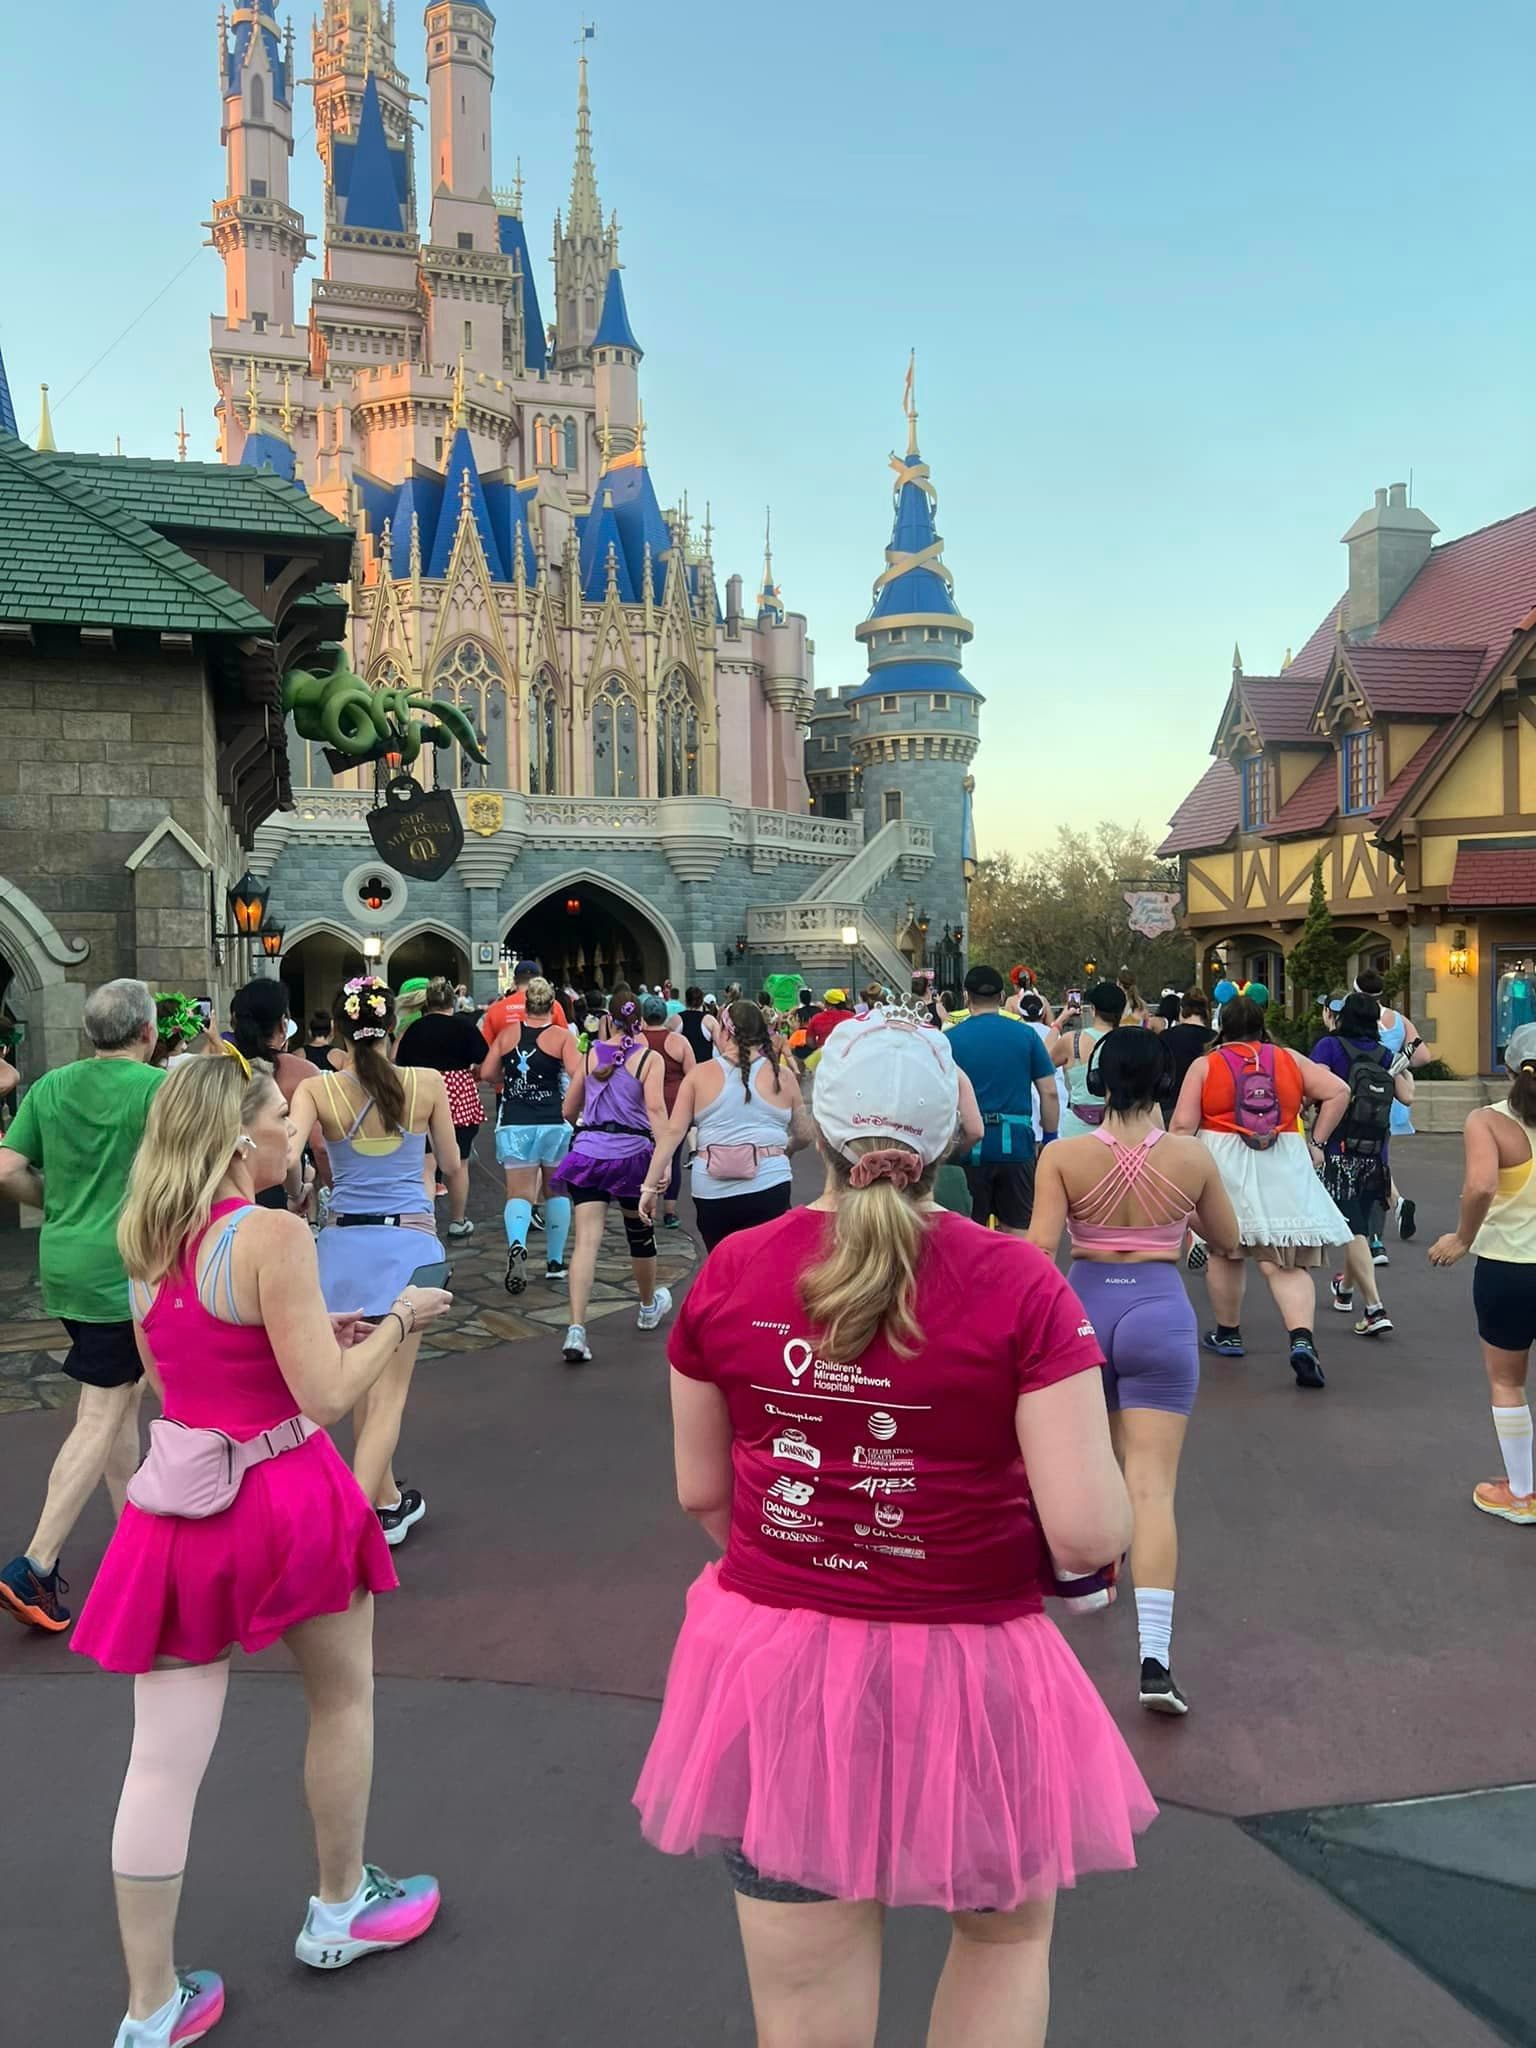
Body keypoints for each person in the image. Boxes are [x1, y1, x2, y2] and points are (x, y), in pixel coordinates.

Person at [634, 1010, 1152, 2048]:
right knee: (1001, 1945)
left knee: (803, 2001)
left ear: (815, 1128)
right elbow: (1090, 1531)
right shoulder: (1018, 1282)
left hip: (776, 1660)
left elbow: (700, 1490)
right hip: (973, 1663)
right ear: (945, 1138)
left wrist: (811, 1553)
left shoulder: (732, 1271)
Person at [72, 1054, 450, 2048]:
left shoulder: (143, 1235)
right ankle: (338, 1906)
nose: (296, 1125)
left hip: (180, 1511)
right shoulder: (274, 1230)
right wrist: (401, 1319)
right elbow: (326, 1397)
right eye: (282, 1112)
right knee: (342, 1695)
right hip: (286, 1498)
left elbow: (176, 1370)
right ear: (241, 1135)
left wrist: (312, 1329)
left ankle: (150, 2006)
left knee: (159, 1762)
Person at [1030, 1029, 1241, 1715]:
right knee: (1153, 1489)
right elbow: (1228, 1239)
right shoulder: (1192, 1157)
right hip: (1160, 1309)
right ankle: (1155, 1658)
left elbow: (1038, 1249)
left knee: (1081, 1467)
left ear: (1098, 1078)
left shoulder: (1062, 1156)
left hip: (1081, 1312)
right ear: (1162, 1080)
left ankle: (1087, 1579)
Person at [0, 981, 165, 1634]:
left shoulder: (49, 1088)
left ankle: (135, 1547)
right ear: (148, 1033)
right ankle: (34, 1566)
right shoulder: (158, 1092)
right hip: (121, 1272)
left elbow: (7, 1168)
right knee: (102, 1412)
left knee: (118, 1402)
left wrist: (57, 1201)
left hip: (65, 1265)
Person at [290, 979, 464, 1545]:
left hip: (339, 1250)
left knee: (361, 1381)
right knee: (387, 1396)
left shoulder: (320, 1091)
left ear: (337, 1033)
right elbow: (453, 1163)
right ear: (394, 1028)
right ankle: (358, 1521)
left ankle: (387, 1498)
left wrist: (297, 1195)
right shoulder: (426, 1084)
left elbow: (290, 1158)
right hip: (408, 1249)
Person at [1170, 995, 1351, 1388]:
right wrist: (1317, 1142)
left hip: (1221, 1158)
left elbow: (1183, 1125)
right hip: (1282, 1155)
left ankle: (1229, 1332)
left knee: (1226, 1250)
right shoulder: (1289, 1058)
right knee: (1286, 1261)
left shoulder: (1206, 1064)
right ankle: (1302, 1340)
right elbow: (1338, 1091)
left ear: (1223, 1025)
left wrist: (1177, 1166)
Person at [1429, 1024, 1536, 1523]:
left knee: (1507, 1380)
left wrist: (1462, 1237)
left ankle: (1520, 1492)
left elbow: (1480, 1186)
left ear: (1510, 1069)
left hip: (1508, 1268)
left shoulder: (1488, 1122)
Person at [551, 994, 673, 1364]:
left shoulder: (592, 1056)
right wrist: (663, 1161)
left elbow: (568, 1109)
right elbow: (655, 1109)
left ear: (609, 1020)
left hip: (588, 1153)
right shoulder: (649, 1059)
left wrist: (593, 1125)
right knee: (640, 1233)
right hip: (633, 1156)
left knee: (586, 1241)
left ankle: (576, 1329)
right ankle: (648, 1305)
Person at [642, 1000, 812, 1253]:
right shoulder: (782, 1076)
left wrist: (649, 1186)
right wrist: (788, 1148)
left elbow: (673, 1133)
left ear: (725, 1031)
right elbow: (804, 1134)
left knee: (722, 1265)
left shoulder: (699, 1075)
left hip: (712, 1190)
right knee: (762, 1266)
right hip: (769, 1184)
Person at [1312, 993, 1415, 1336]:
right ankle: (1344, 1291)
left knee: (1353, 1230)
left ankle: (1374, 1308)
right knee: (1359, 1226)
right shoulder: (1384, 1054)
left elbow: (1315, 1089)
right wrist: (1404, 1068)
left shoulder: (1329, 1047)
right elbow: (1406, 1096)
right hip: (1375, 1151)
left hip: (1339, 1149)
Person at [481, 975, 581, 1292]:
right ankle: (554, 1262)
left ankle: (517, 1244)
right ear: (553, 1005)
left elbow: (486, 1073)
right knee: (556, 1192)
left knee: (519, 1194)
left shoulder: (508, 1035)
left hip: (515, 1122)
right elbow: (578, 1074)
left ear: (526, 1006)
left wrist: (507, 1078)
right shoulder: (562, 1037)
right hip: (552, 1121)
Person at [946, 963, 1059, 1233]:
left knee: (969, 1235)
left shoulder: (949, 1039)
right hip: (1016, 1146)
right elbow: (1050, 1091)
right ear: (1000, 997)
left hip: (967, 1148)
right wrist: (1050, 1137)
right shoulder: (1026, 1035)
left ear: (966, 996)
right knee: (1018, 1235)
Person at [394, 976, 487, 1239]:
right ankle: (458, 1220)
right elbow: (482, 1059)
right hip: (459, 1096)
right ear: (452, 1002)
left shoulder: (414, 1029)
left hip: (421, 1093)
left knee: (425, 1163)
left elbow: (398, 1062)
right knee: (459, 1162)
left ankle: (426, 1223)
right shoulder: (465, 1026)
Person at [229, 980, 327, 1215]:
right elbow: (319, 1145)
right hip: (280, 1184)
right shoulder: (303, 1072)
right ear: (283, 1025)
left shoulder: (222, 1071)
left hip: (230, 1183)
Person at [1356, 966, 1431, 1255]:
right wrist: (1399, 1064)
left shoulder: (1356, 1017)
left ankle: (1392, 1208)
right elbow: (1423, 1055)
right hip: (1392, 1094)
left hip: (1364, 1095)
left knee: (1370, 1158)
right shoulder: (1397, 1020)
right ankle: (1395, 1203)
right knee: (1377, 1155)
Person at [639, 994, 697, 1230]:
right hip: (675, 1105)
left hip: (644, 1104)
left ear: (643, 1016)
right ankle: (670, 1212)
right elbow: (692, 1074)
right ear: (665, 1015)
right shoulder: (679, 1042)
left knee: (646, 1155)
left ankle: (647, 1206)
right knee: (672, 1156)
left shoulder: (636, 1041)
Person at [1054, 981, 1128, 1139]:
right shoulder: (1129, 1043)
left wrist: (1058, 1023)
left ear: (1093, 1010)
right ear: (1122, 1011)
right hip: (1118, 1127)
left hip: (1076, 1128)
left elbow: (1042, 1063)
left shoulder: (1072, 1040)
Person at [481, 959, 568, 1045]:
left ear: (515, 981)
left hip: (505, 1057)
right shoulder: (553, 1006)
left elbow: (484, 1047)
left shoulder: (495, 1010)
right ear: (539, 980)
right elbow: (566, 1043)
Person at [1159, 990, 1215, 1121]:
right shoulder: (1215, 1039)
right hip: (1205, 1111)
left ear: (1182, 1009)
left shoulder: (1165, 1037)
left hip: (1170, 1107)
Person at [803, 987, 854, 1058]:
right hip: (847, 1053)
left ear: (827, 1003)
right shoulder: (851, 1016)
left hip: (824, 1055)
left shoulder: (817, 1018)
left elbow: (810, 1042)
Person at [676, 985, 712, 1068]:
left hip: (683, 1070)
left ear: (686, 1000)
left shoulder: (676, 1019)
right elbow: (721, 1047)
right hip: (705, 1068)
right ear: (702, 1001)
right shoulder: (710, 1020)